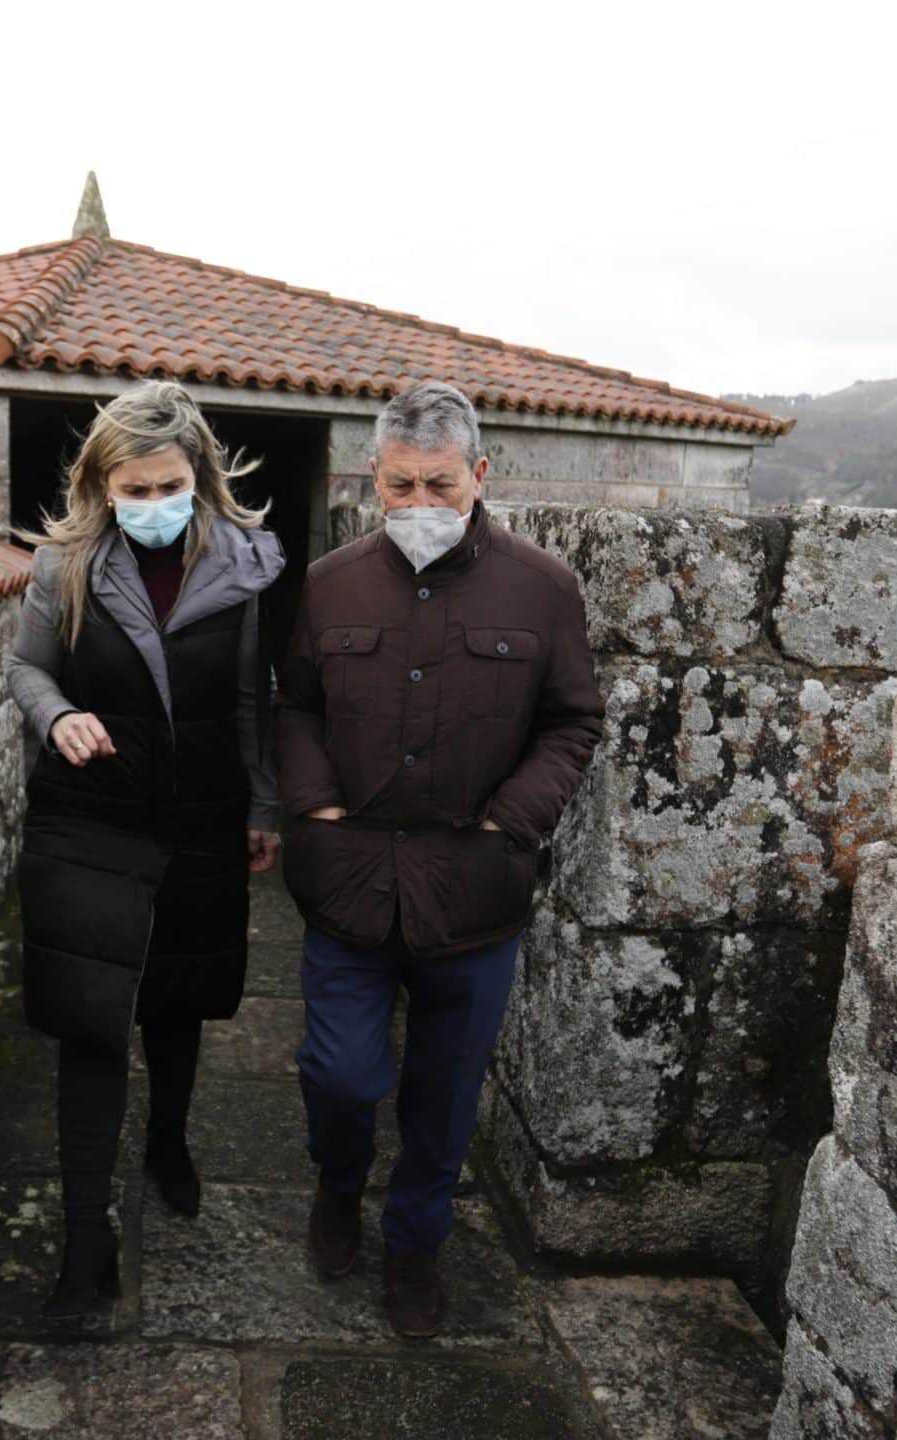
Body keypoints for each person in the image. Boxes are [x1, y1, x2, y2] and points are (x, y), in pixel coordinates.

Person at [276, 381, 602, 1338]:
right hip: (351, 881)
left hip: (475, 888)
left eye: (440, 486)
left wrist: (515, 820)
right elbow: (294, 703)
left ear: (480, 475)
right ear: (371, 480)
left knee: (446, 1094)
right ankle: (338, 1185)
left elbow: (573, 718)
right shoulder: (330, 583)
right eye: (400, 486)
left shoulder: (544, 589)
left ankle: (416, 1245)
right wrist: (315, 808)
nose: (420, 506)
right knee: (339, 1073)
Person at [5, 380, 285, 1320]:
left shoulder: (243, 569)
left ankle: (168, 1142)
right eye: (134, 488)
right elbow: (25, 667)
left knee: (176, 999)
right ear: (102, 485)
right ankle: (86, 1246)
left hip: (202, 813)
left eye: (169, 484)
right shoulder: (67, 566)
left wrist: (265, 806)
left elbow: (253, 698)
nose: (152, 503)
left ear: (199, 478)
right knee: (90, 1019)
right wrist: (58, 715)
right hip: (91, 813)